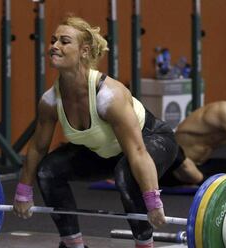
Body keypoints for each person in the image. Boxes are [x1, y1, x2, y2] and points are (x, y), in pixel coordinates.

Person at [13, 15, 179, 248]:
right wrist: (23, 191)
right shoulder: (50, 101)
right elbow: (38, 148)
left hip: (152, 140)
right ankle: (73, 244)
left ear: (84, 51)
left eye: (64, 41)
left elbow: (138, 151)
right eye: (53, 41)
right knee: (49, 171)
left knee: (126, 172)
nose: (54, 46)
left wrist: (152, 201)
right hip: (106, 151)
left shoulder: (108, 96)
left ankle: (144, 243)